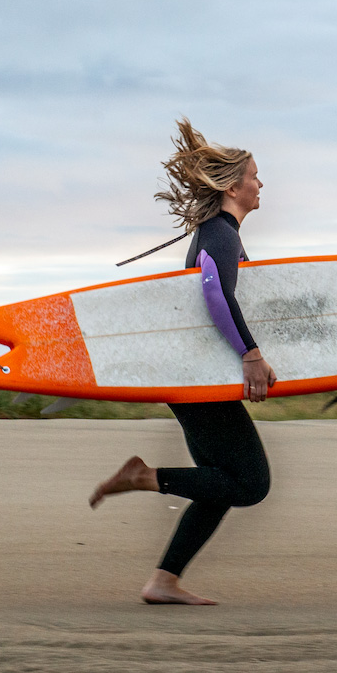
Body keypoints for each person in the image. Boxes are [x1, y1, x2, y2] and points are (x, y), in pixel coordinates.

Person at [89, 119, 276, 605]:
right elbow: (215, 291)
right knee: (251, 483)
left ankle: (163, 581)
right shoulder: (220, 233)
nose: (261, 185)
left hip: (193, 377)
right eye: (256, 176)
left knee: (222, 484)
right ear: (234, 186)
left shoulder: (217, 232)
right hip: (196, 379)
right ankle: (143, 477)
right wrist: (251, 355)